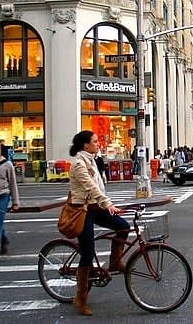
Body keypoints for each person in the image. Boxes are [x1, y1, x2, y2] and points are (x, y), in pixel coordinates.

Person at [68, 130, 129, 315]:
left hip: (96, 208)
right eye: (95, 141)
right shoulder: (79, 163)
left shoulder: (93, 159)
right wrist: (108, 204)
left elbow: (100, 186)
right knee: (88, 252)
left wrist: (107, 204)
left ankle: (115, 262)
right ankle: (81, 298)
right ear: (85, 145)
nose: (98, 144)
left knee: (123, 226)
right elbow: (91, 187)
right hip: (83, 210)